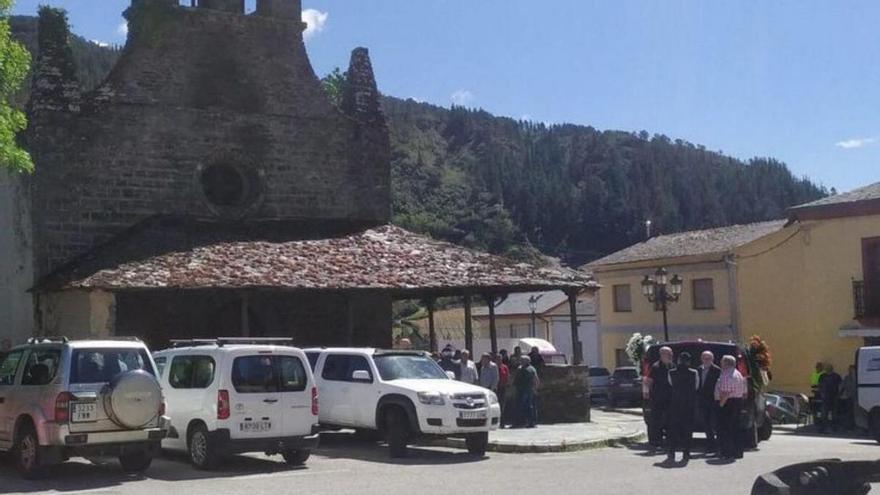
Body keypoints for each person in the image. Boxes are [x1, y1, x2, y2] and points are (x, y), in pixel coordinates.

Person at [666, 352, 699, 463]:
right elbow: (696, 386)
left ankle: (671, 452)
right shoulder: (694, 373)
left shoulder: (671, 373)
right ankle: (686, 453)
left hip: (675, 404)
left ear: (678, 360)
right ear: (689, 362)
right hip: (689, 405)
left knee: (673, 430)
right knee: (688, 430)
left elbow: (670, 385)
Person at [715, 355, 747, 460]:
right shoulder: (738, 374)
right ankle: (738, 452)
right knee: (736, 428)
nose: (721, 364)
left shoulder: (726, 374)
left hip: (728, 403)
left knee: (726, 429)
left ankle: (727, 452)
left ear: (726, 363)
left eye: (722, 362)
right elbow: (744, 392)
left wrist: (720, 405)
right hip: (738, 402)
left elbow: (725, 392)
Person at [644, 346, 674, 451]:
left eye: (671, 354)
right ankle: (656, 441)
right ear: (662, 355)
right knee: (657, 421)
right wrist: (647, 393)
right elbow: (648, 381)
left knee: (669, 421)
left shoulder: (672, 366)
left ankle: (670, 441)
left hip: (669, 399)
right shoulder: (655, 367)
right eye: (669, 354)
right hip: (657, 398)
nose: (671, 356)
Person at [697, 351, 722, 453]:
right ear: (701, 359)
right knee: (706, 424)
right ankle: (710, 444)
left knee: (715, 423)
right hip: (702, 401)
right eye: (704, 358)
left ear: (712, 359)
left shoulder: (717, 370)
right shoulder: (698, 369)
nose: (706, 360)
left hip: (713, 400)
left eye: (709, 358)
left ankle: (718, 445)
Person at [514, 356, 539, 428]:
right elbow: (536, 380)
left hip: (524, 390)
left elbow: (535, 380)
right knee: (529, 406)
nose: (520, 361)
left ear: (527, 361)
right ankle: (530, 422)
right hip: (527, 390)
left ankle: (526, 422)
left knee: (525, 406)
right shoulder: (531, 369)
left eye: (522, 360)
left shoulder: (525, 369)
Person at [818, 363, 842, 433]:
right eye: (827, 368)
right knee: (824, 413)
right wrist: (821, 393)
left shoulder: (836, 376)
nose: (827, 369)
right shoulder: (822, 376)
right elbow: (820, 385)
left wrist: (839, 394)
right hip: (825, 397)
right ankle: (823, 427)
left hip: (834, 397)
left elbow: (840, 385)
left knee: (834, 413)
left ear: (832, 368)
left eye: (829, 367)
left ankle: (834, 427)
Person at [840, 365, 857, 430]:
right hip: (849, 397)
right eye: (849, 369)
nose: (850, 371)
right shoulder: (847, 378)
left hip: (857, 398)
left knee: (856, 413)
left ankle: (856, 426)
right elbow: (842, 386)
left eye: (851, 369)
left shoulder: (858, 377)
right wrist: (841, 394)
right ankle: (849, 426)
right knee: (849, 413)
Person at [495, 354, 510, 424]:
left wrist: (506, 384)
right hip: (495, 388)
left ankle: (502, 422)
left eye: (500, 359)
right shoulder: (493, 367)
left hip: (502, 387)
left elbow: (507, 376)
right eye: (497, 359)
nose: (498, 360)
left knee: (502, 404)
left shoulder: (505, 367)